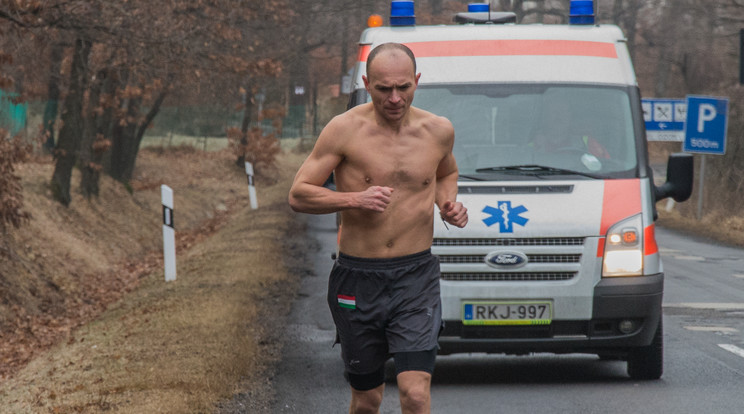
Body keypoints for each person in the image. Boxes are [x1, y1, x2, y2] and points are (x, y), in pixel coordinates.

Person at [288, 42, 468, 414]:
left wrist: (447, 203)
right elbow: (299, 195)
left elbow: (446, 171)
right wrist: (353, 199)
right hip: (358, 277)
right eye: (384, 88)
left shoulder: (438, 130)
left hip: (415, 278)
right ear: (367, 83)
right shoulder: (344, 130)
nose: (395, 98)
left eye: (404, 87)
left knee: (415, 394)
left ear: (417, 82)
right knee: (367, 400)